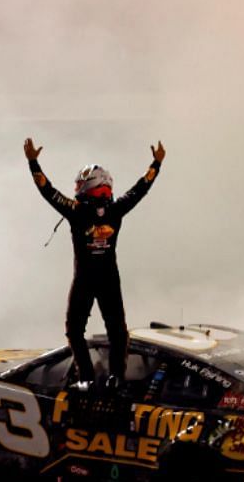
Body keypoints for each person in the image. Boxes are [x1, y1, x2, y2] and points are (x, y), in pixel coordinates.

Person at [24, 137, 165, 390]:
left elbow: (47, 190)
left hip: (85, 279)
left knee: (76, 329)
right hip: (109, 277)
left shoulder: (76, 210)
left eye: (80, 183)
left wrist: (33, 162)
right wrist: (156, 163)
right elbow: (141, 188)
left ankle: (87, 377)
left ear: (89, 185)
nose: (77, 187)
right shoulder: (116, 209)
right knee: (117, 331)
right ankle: (115, 378)